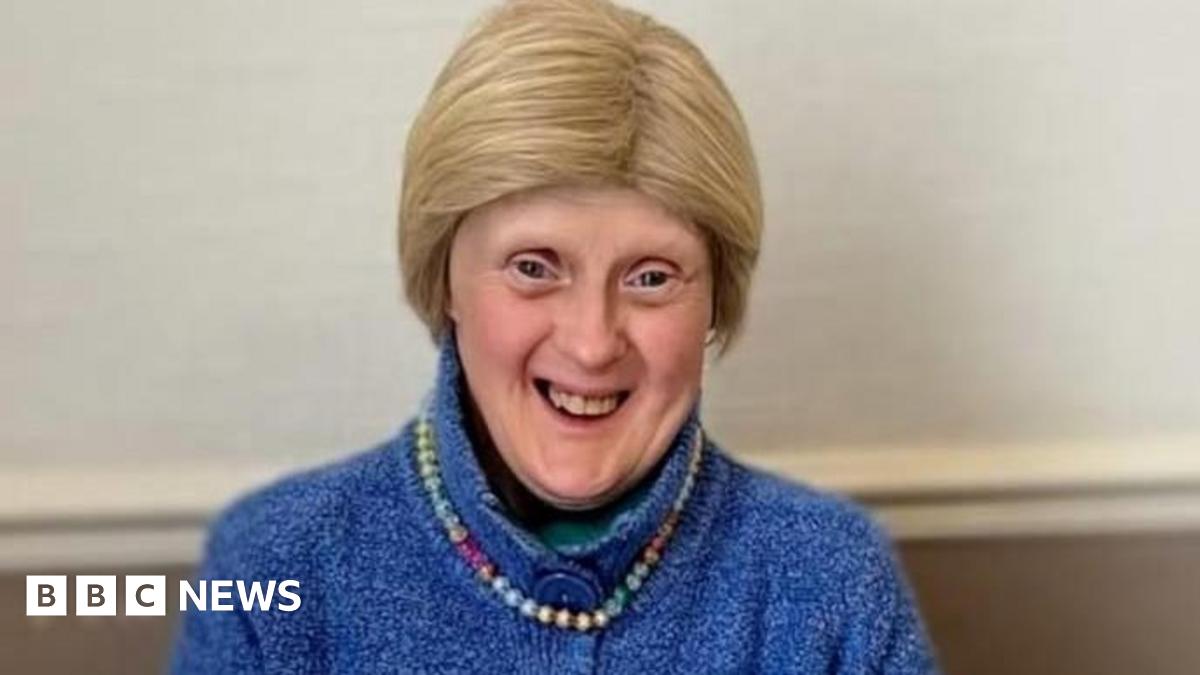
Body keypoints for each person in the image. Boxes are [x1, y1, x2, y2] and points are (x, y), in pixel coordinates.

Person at [171, 0, 938, 672]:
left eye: (651, 276)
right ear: (446, 280)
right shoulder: (272, 567)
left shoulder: (834, 579)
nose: (592, 342)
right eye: (534, 266)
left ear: (714, 302)